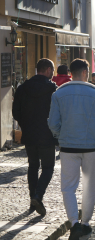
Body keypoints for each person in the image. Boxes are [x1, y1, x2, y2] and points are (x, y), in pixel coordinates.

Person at [48, 59, 95, 239]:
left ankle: (74, 223)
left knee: (68, 187)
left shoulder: (59, 94)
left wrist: (61, 136)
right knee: (88, 185)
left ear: (71, 73)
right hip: (91, 147)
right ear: (85, 72)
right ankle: (85, 224)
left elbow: (52, 123)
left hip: (68, 147)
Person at [12, 58, 57, 216]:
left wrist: (25, 125)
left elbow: (15, 112)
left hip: (29, 135)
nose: (53, 74)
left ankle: (33, 198)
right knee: (48, 168)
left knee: (33, 166)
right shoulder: (52, 89)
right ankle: (38, 196)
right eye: (52, 70)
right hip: (47, 134)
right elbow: (58, 113)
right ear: (47, 70)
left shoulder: (23, 88)